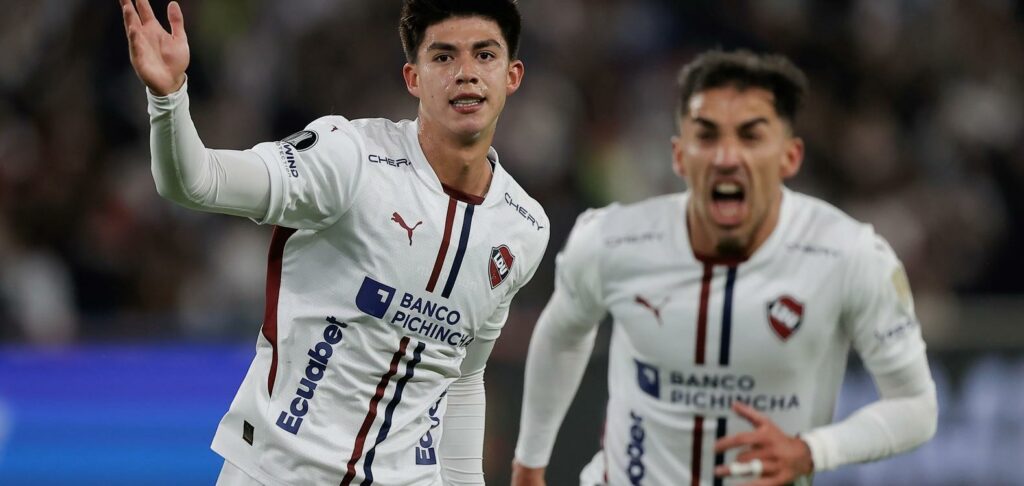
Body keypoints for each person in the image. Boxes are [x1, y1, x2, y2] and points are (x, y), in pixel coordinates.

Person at [119, 0, 549, 484]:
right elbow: (197, 182)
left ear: (512, 76)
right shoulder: (350, 159)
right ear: (413, 77)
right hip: (276, 472)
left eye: (485, 55)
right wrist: (169, 97)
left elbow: (464, 376)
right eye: (444, 57)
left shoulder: (524, 226)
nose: (466, 73)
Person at [511, 50, 937, 486]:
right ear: (679, 155)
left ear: (790, 157)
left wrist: (812, 451)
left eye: (751, 136)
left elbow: (916, 406)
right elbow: (563, 333)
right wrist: (529, 463)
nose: (726, 157)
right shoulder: (612, 240)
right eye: (707, 135)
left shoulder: (849, 255)